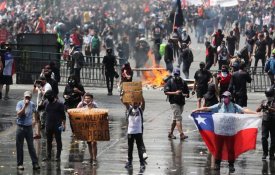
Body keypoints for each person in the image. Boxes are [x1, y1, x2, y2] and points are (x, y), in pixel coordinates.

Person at [192, 91, 257, 173]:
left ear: (230, 98)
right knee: (218, 148)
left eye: (226, 97)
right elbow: (208, 108)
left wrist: (255, 113)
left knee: (230, 149)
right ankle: (217, 164)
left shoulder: (234, 106)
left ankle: (231, 165)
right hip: (220, 131)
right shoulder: (219, 106)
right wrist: (197, 110)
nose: (224, 99)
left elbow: (244, 110)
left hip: (230, 132)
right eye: (223, 97)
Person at [16, 91, 40, 170]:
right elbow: (19, 114)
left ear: (30, 98)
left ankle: (35, 163)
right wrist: (25, 106)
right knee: (19, 146)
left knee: (31, 146)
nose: (27, 99)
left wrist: (35, 121)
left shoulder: (32, 104)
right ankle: (20, 164)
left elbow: (36, 112)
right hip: (20, 127)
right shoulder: (20, 103)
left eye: (29, 97)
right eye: (26, 97)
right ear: (24, 97)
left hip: (29, 128)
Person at [164, 68, 189, 140]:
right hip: (174, 102)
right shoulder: (170, 81)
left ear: (179, 75)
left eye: (177, 75)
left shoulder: (183, 82)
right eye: (174, 75)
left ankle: (170, 133)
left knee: (175, 119)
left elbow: (187, 93)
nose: (176, 76)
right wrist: (175, 93)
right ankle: (181, 134)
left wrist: (184, 94)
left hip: (181, 102)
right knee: (178, 118)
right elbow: (166, 92)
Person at [42, 90, 66, 161]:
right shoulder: (46, 102)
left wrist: (64, 124)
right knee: (48, 141)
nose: (48, 99)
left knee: (58, 140)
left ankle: (58, 156)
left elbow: (63, 115)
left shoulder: (60, 104)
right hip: (48, 124)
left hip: (57, 125)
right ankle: (48, 156)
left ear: (53, 96)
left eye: (48, 97)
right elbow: (41, 110)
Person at [124, 97, 147, 171]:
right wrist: (122, 95)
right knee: (130, 148)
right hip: (130, 132)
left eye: (136, 102)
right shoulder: (129, 109)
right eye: (133, 102)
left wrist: (140, 95)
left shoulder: (140, 109)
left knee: (139, 148)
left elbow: (143, 103)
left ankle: (142, 163)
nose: (135, 104)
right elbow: (124, 102)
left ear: (139, 103)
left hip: (138, 132)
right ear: (131, 103)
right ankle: (129, 162)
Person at [77, 93, 99, 166]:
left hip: (94, 126)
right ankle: (91, 157)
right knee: (89, 143)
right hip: (85, 126)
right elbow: (75, 112)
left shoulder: (95, 105)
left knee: (94, 142)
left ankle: (94, 158)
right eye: (85, 98)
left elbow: (99, 113)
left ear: (92, 99)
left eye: (88, 98)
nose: (87, 100)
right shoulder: (81, 104)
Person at [256, 87, 275, 160]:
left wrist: (269, 108)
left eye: (270, 95)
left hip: (273, 121)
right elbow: (257, 110)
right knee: (264, 137)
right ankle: (265, 152)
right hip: (265, 121)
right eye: (267, 95)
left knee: (273, 139)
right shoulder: (264, 101)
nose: (269, 97)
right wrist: (261, 107)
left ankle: (272, 153)